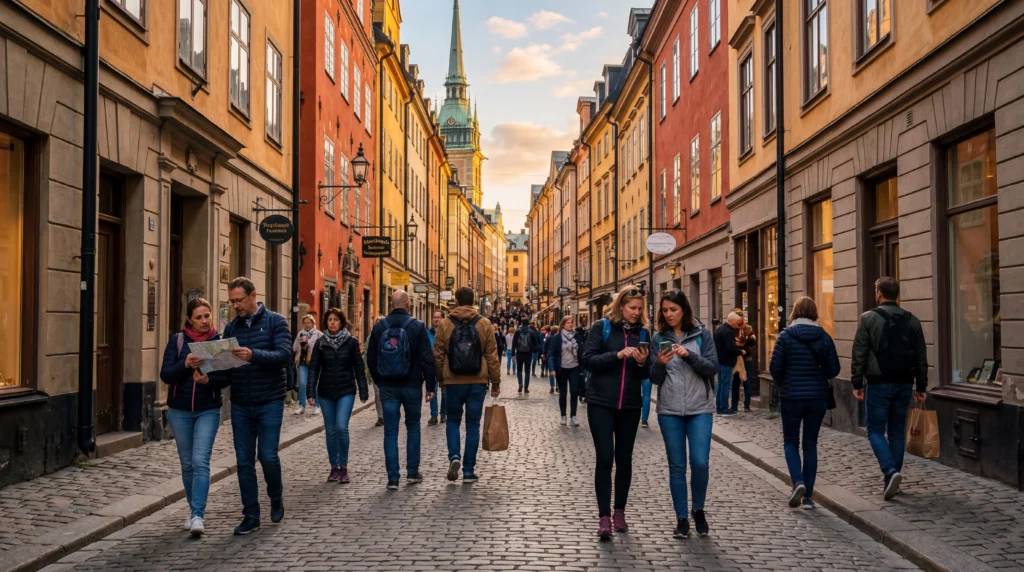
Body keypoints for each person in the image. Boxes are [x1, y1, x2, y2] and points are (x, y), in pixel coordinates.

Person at [221, 277, 292, 535]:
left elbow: (284, 356)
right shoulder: (231, 329)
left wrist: (254, 355)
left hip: (270, 400)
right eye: (232, 302)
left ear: (253, 296)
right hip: (240, 402)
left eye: (239, 300)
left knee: (268, 456)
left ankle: (276, 495)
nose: (235, 306)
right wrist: (208, 375)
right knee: (243, 462)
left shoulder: (276, 322)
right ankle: (251, 515)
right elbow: (226, 369)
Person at [582, 285, 651, 541]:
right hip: (600, 401)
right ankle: (603, 518)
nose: (636, 312)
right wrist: (618, 355)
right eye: (632, 308)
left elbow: (647, 374)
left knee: (624, 460)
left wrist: (642, 362)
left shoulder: (644, 333)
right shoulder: (602, 327)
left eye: (639, 309)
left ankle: (619, 512)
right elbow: (587, 360)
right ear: (621, 305)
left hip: (630, 405)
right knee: (605, 458)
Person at [851, 277, 928, 500]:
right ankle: (891, 482)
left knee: (874, 430)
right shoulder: (913, 321)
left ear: (879, 293)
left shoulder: (867, 318)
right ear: (897, 295)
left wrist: (857, 382)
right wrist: (921, 386)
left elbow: (859, 353)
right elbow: (922, 356)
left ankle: (890, 472)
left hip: (879, 383)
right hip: (905, 383)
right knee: (896, 432)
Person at [650, 290, 719, 539]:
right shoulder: (658, 338)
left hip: (700, 407)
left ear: (684, 310)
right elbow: (654, 378)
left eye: (674, 310)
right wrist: (659, 363)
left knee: (700, 462)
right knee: (677, 466)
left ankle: (698, 508)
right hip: (669, 409)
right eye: (665, 310)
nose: (669, 315)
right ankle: (681, 518)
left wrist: (689, 355)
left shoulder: (702, 335)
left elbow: (712, 367)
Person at [160, 297, 228, 538]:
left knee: (200, 461)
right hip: (179, 411)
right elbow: (166, 375)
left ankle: (198, 515)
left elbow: (227, 378)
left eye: (207, 316)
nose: (203, 321)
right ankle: (192, 510)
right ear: (189, 319)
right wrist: (185, 364)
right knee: (187, 464)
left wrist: (209, 380)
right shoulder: (177, 341)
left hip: (208, 408)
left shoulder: (218, 342)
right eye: (198, 317)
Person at [769, 297, 841, 510]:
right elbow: (834, 369)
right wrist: (819, 377)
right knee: (810, 443)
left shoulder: (785, 337)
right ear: (814, 313)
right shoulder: (824, 337)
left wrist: (784, 383)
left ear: (794, 313)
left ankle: (797, 482)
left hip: (791, 397)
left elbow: (775, 368)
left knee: (791, 442)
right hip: (817, 398)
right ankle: (808, 496)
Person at [367, 290, 437, 491]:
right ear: (408, 304)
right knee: (413, 427)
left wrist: (378, 380)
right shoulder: (417, 326)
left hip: (388, 385)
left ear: (391, 303)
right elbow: (427, 359)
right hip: (412, 384)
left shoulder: (379, 327)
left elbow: (371, 357)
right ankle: (413, 472)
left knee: (390, 431)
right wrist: (430, 386)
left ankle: (393, 478)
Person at [433, 287, 502, 483]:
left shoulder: (445, 324)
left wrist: (440, 379)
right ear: (473, 302)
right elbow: (492, 356)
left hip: (453, 381)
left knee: (453, 421)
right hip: (477, 381)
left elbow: (437, 355)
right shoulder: (484, 323)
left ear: (455, 301)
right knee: (473, 426)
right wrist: (495, 381)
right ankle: (469, 470)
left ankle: (454, 456)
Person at [307, 308, 369, 484]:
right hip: (326, 392)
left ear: (341, 322)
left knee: (342, 428)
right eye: (329, 320)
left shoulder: (351, 342)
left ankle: (344, 467)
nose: (332, 322)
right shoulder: (320, 343)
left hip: (346, 391)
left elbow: (359, 368)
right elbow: (314, 369)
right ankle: (334, 466)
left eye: (335, 319)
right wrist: (310, 392)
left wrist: (363, 391)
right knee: (331, 430)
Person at [549, 316, 582, 426]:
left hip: (574, 367)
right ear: (563, 324)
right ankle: (563, 415)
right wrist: (552, 368)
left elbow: (582, 351)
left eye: (572, 323)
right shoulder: (557, 337)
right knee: (563, 392)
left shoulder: (576, 337)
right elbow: (551, 354)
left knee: (574, 391)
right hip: (562, 368)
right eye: (568, 323)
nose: (571, 324)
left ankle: (573, 416)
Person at [713, 314, 745, 416]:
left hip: (719, 361)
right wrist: (740, 351)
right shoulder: (729, 332)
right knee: (725, 386)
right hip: (726, 362)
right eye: (737, 323)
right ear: (731, 321)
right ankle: (724, 409)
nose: (738, 325)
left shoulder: (719, 330)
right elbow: (730, 348)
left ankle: (719, 408)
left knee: (720, 385)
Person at [292, 315, 322, 416]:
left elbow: (322, 348)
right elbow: (294, 347)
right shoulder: (300, 334)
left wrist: (309, 343)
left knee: (315, 384)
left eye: (309, 322)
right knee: (302, 384)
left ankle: (317, 406)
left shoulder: (318, 334)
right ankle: (302, 405)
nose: (307, 324)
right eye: (305, 323)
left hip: (314, 362)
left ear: (313, 323)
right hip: (302, 362)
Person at [732, 310, 756, 413]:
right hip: (736, 359)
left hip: (747, 359)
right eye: (738, 317)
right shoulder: (733, 329)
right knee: (735, 383)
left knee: (747, 382)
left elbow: (753, 341)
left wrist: (744, 342)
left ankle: (747, 405)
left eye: (741, 316)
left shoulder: (748, 328)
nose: (740, 319)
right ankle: (734, 405)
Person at [428, 310, 448, 426]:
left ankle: (443, 414)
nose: (436, 319)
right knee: (432, 391)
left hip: (444, 366)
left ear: (442, 319)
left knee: (445, 392)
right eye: (434, 317)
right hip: (431, 367)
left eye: (438, 317)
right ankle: (434, 415)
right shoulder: (428, 333)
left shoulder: (446, 332)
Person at [365, 316, 385, 427]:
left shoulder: (389, 336)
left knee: (386, 393)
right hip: (374, 370)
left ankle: (388, 413)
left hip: (387, 370)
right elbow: (367, 355)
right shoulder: (370, 338)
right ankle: (380, 417)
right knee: (378, 393)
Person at [512, 319, 539, 393]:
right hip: (528, 353)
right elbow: (536, 344)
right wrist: (532, 348)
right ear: (528, 324)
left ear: (521, 323)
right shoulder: (531, 332)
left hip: (519, 353)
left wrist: (513, 354)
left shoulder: (518, 331)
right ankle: (526, 388)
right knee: (527, 371)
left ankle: (520, 383)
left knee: (519, 370)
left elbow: (514, 342)